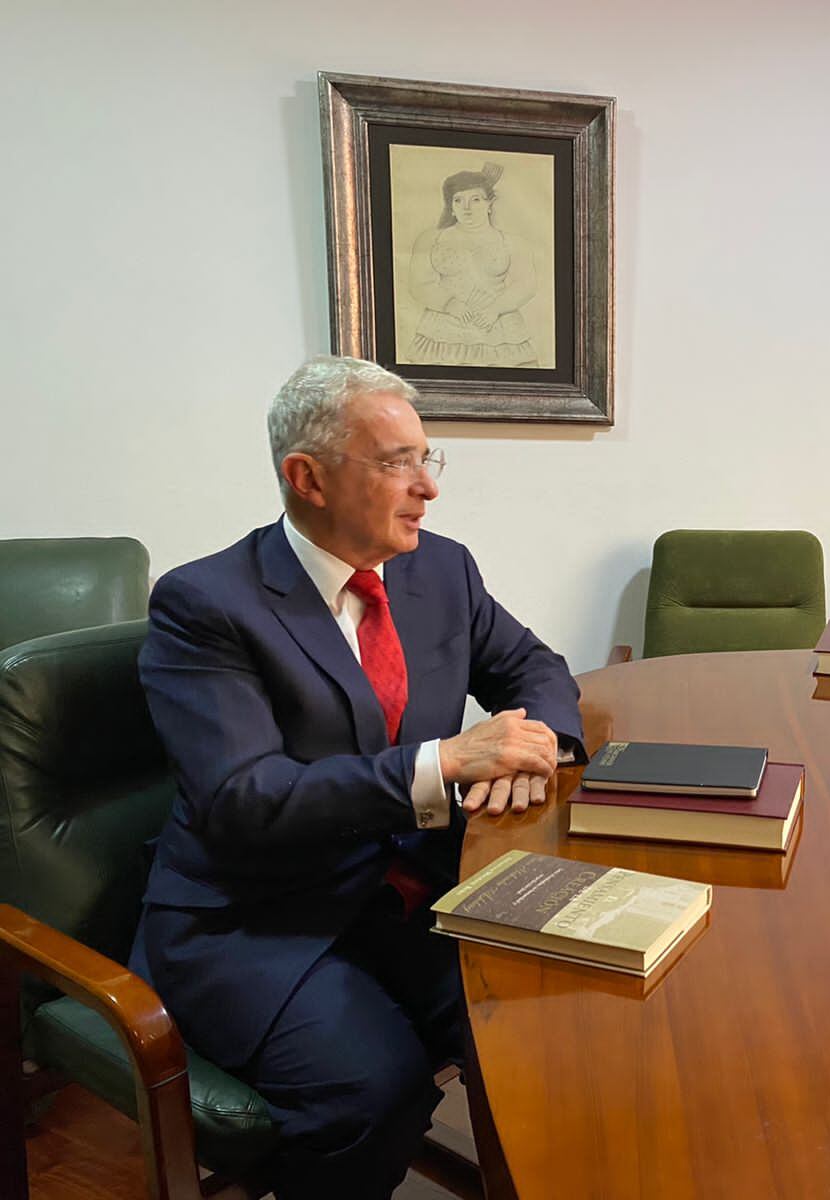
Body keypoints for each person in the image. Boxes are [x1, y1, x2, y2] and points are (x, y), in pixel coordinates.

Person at [130, 356, 584, 1198]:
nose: (428, 487)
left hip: (409, 888)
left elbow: (534, 668)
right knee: (371, 1095)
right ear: (307, 477)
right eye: (397, 462)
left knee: (554, 1021)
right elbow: (243, 802)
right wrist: (446, 761)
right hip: (259, 918)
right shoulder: (206, 606)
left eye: (427, 458)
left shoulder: (439, 570)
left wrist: (539, 747)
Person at [406, 161, 540, 367]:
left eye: (476, 200)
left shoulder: (513, 243)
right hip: (444, 329)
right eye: (458, 201)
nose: (466, 208)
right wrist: (450, 305)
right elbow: (419, 284)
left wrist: (495, 309)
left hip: (500, 329)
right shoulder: (430, 240)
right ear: (451, 207)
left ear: (490, 204)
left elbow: (526, 284)